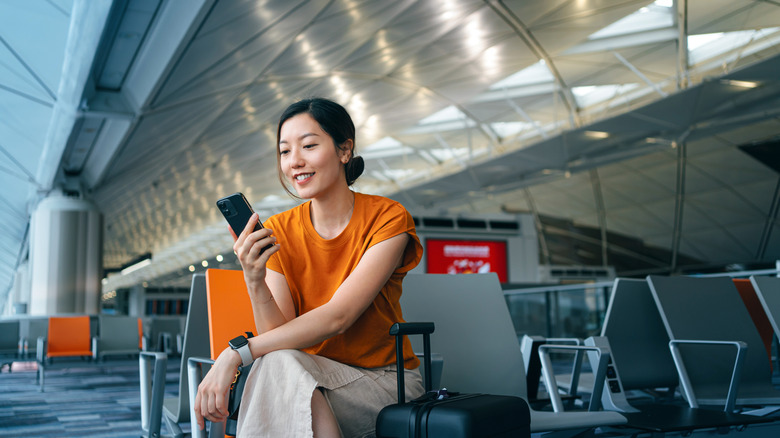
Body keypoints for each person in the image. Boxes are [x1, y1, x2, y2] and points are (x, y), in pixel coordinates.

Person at [194, 97, 425, 437]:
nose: (294, 162)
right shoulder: (281, 229)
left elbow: (338, 317)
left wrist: (237, 354)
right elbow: (279, 337)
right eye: (285, 151)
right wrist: (254, 278)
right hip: (305, 374)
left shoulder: (387, 218)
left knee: (275, 368)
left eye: (309, 145)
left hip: (384, 381)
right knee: (278, 363)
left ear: (344, 150)